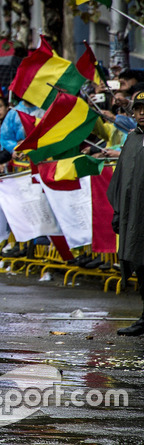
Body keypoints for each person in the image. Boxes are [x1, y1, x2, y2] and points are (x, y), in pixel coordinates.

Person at [107, 90, 144, 336]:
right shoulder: (132, 140)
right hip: (136, 218)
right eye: (138, 110)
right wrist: (119, 214)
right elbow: (122, 179)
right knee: (141, 264)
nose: (142, 114)